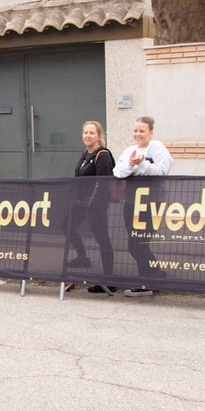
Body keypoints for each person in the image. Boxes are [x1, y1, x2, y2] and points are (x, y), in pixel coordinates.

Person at [113, 116, 174, 297]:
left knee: (139, 242)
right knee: (134, 243)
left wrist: (142, 164)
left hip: (152, 204)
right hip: (132, 203)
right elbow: (118, 172)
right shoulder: (130, 150)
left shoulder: (157, 148)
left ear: (151, 132)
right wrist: (132, 165)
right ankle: (155, 274)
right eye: (135, 131)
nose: (138, 134)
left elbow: (161, 170)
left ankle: (146, 282)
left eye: (142, 131)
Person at [65, 121, 117, 294]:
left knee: (102, 239)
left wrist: (92, 206)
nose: (88, 136)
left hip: (97, 205)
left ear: (99, 136)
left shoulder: (102, 155)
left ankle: (109, 280)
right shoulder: (85, 153)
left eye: (92, 133)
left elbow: (101, 183)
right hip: (81, 203)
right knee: (66, 225)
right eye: (85, 132)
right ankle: (82, 257)